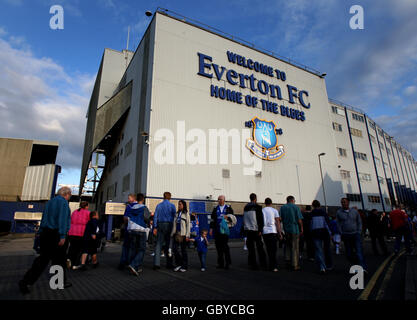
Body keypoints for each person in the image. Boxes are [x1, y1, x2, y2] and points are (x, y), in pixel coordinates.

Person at [19, 187, 72, 294]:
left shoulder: (49, 202)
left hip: (45, 234)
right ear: (67, 194)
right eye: (70, 195)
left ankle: (26, 281)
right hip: (56, 234)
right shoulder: (64, 203)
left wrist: (40, 232)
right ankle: (58, 282)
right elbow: (62, 219)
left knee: (42, 260)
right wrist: (62, 236)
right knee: (59, 260)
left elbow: (44, 219)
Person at [336, 198, 367, 272]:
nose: (343, 203)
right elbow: (338, 223)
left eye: (345, 202)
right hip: (346, 235)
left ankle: (362, 268)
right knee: (349, 254)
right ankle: (356, 265)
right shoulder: (339, 212)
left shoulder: (354, 211)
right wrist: (341, 232)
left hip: (355, 234)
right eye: (342, 202)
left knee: (358, 251)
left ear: (348, 203)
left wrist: (359, 231)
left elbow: (359, 222)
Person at [126, 193, 151, 276]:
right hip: (141, 229)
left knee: (134, 248)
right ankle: (133, 264)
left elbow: (128, 217)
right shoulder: (144, 207)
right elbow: (147, 217)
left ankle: (135, 266)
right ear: (143, 199)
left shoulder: (132, 207)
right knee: (142, 249)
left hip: (132, 229)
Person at [210, 195, 235, 269]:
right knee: (218, 247)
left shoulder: (228, 208)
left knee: (225, 247)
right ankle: (220, 263)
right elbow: (212, 220)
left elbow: (233, 218)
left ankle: (227, 263)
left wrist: (227, 217)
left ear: (224, 200)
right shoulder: (215, 208)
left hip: (224, 231)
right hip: (217, 231)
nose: (219, 201)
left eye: (221, 199)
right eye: (218, 199)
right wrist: (211, 229)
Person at [243, 193, 267, 270]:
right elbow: (260, 219)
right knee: (260, 247)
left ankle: (253, 264)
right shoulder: (258, 207)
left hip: (248, 230)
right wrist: (260, 229)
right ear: (255, 198)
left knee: (251, 248)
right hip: (256, 230)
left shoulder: (246, 207)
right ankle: (263, 263)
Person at [153, 192, 176, 270]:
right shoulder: (172, 206)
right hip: (169, 224)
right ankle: (169, 263)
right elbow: (174, 217)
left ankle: (157, 264)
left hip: (160, 224)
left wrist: (155, 227)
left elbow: (155, 216)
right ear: (170, 197)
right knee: (168, 244)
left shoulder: (159, 205)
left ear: (163, 197)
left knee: (158, 244)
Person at [280, 196, 303, 271]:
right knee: (295, 247)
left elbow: (280, 219)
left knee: (287, 246)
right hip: (294, 229)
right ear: (292, 200)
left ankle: (287, 262)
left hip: (286, 229)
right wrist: (302, 228)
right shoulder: (295, 207)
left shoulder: (282, 207)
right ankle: (294, 264)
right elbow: (299, 220)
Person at [310, 200, 333, 274]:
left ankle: (322, 267)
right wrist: (330, 233)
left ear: (312, 205)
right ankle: (328, 265)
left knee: (319, 250)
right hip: (324, 232)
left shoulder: (311, 213)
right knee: (327, 249)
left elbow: (311, 224)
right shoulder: (323, 212)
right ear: (319, 205)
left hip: (315, 232)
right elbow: (327, 223)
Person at [67, 201, 90, 269]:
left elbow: (71, 221)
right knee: (80, 250)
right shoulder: (87, 213)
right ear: (86, 206)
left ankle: (69, 260)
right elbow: (89, 223)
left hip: (72, 232)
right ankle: (75, 264)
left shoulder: (74, 212)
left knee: (72, 248)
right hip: (81, 233)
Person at [262, 198, 282, 272]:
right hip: (273, 231)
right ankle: (274, 266)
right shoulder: (275, 210)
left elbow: (261, 222)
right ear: (271, 203)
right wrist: (280, 233)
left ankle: (270, 265)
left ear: (265, 203)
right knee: (274, 249)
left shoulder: (262, 210)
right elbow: (278, 222)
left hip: (265, 232)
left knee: (268, 249)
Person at [171, 200, 191, 272]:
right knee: (175, 249)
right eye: (178, 204)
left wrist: (187, 235)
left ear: (183, 205)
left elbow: (188, 225)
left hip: (183, 234)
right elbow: (174, 224)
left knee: (183, 251)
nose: (179, 206)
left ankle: (184, 266)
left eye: (180, 204)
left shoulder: (186, 214)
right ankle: (179, 264)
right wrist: (172, 233)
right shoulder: (176, 214)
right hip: (176, 234)